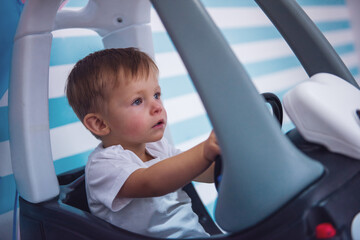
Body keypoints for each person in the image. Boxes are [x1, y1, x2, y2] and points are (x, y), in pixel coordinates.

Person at [65, 47, 221, 238]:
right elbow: (151, 182)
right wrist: (204, 151)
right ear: (100, 123)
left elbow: (200, 171)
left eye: (156, 95)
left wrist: (222, 158)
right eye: (138, 101)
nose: (157, 107)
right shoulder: (103, 165)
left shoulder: (157, 147)